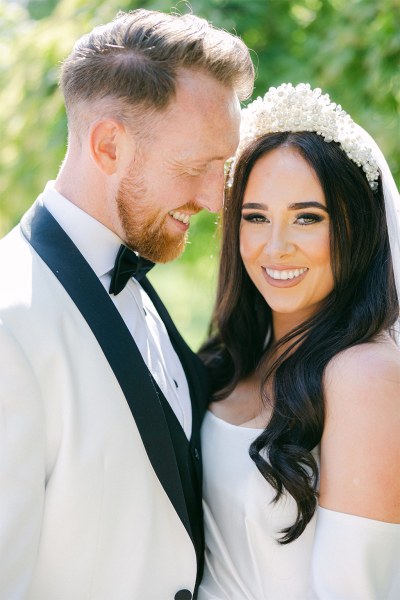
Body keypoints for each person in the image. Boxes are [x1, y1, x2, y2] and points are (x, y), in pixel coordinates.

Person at [0, 9, 254, 600]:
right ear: (109, 145)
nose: (214, 200)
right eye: (194, 168)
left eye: (223, 169)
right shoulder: (8, 325)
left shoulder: (136, 276)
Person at [198, 83, 400, 599]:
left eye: (307, 217)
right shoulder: (234, 360)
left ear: (355, 226)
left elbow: (358, 588)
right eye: (256, 217)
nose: (275, 247)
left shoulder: (363, 374)